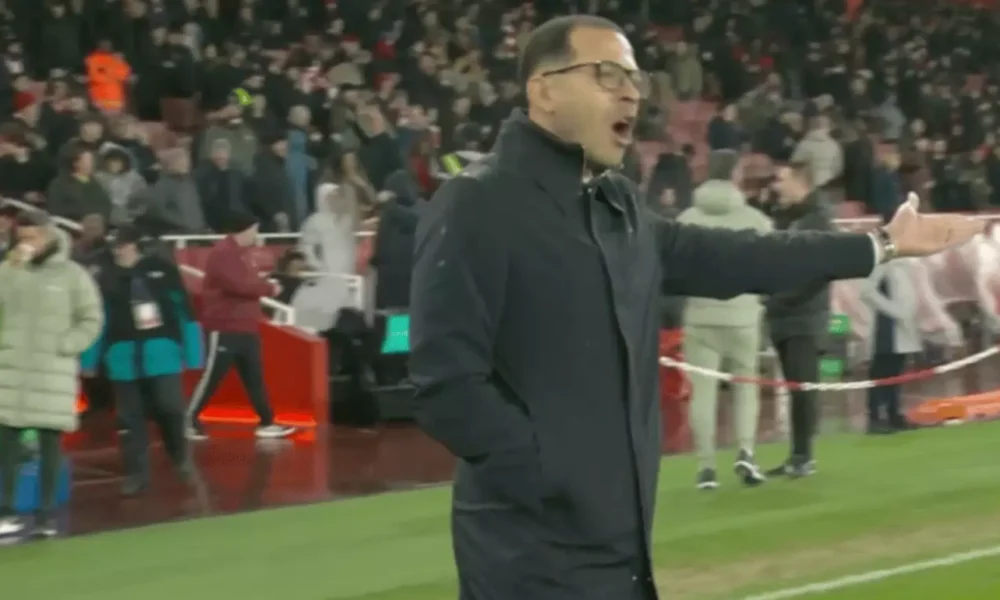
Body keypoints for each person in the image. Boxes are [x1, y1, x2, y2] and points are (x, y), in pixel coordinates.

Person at [409, 15, 983, 600]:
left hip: (622, 549)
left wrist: (880, 245)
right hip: (527, 560)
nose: (631, 91)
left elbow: (741, 257)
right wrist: (551, 473)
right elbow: (443, 381)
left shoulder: (618, 207)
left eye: (635, 78)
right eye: (607, 74)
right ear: (544, 88)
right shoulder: (478, 203)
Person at [0, 211, 102, 538]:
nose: (27, 243)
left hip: (53, 373)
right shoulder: (9, 270)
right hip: (11, 372)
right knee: (7, 445)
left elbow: (91, 318)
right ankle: (7, 510)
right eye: (22, 237)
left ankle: (45, 515)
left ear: (48, 235)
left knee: (49, 446)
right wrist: (10, 267)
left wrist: (68, 344)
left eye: (33, 236)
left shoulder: (73, 275)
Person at [80, 226, 203, 495]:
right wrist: (89, 360)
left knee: (170, 408)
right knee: (128, 418)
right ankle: (136, 474)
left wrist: (193, 353)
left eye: (122, 244)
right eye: (115, 245)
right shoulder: (104, 278)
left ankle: (179, 455)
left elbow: (184, 312)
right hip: (122, 357)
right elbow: (97, 322)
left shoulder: (162, 270)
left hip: (162, 354)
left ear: (135, 244)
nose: (118, 250)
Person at [677, 150, 772, 490]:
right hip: (743, 316)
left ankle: (706, 467)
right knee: (746, 386)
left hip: (700, 316)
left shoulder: (687, 218)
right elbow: (770, 267)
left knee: (702, 393)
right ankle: (746, 451)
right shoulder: (756, 220)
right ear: (735, 174)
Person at [185, 214, 295, 440]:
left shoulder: (242, 255)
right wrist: (268, 289)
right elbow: (238, 285)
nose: (256, 235)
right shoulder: (223, 253)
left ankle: (267, 422)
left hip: (246, 326)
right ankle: (186, 420)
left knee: (254, 377)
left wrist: (262, 287)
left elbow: (246, 284)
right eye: (255, 230)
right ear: (244, 230)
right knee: (212, 377)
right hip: (225, 327)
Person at [765, 161, 837, 478]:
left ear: (801, 182)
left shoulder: (817, 220)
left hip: (804, 318)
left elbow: (820, 271)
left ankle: (804, 456)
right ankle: (797, 454)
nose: (775, 186)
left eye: (781, 179)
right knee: (796, 389)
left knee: (804, 389)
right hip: (784, 317)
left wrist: (783, 298)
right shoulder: (789, 219)